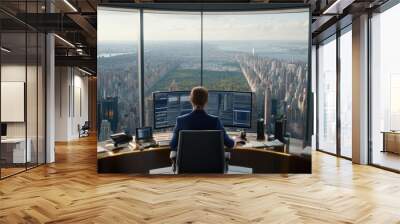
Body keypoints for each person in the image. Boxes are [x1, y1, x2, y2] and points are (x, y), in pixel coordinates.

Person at [169, 86, 237, 158]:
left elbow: (172, 145)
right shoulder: (215, 121)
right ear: (206, 101)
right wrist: (235, 139)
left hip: (187, 166)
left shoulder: (181, 121)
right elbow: (230, 144)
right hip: (211, 166)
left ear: (191, 100)